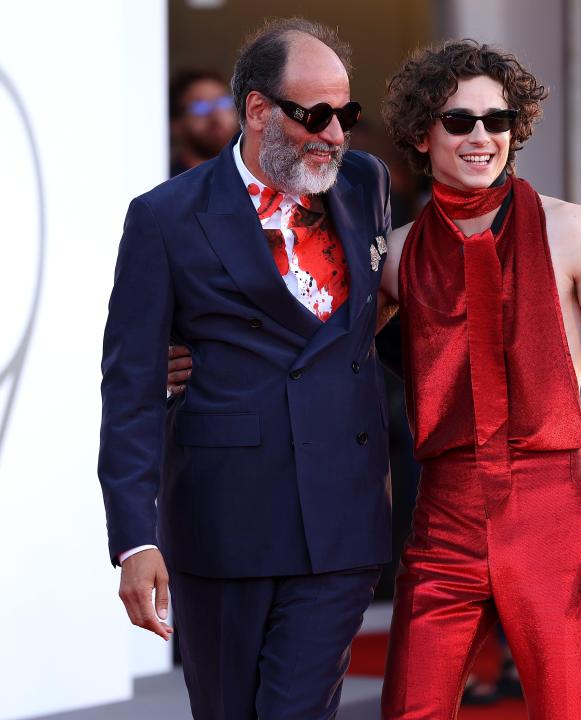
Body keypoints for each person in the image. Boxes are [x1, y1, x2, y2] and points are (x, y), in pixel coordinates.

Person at [97, 18, 394, 719]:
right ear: (258, 111)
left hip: (341, 515)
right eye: (313, 114)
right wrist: (135, 537)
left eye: (344, 114)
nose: (334, 133)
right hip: (225, 519)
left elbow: (368, 322)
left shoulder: (365, 183)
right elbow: (131, 386)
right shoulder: (166, 217)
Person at [376, 40, 581, 719]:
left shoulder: (572, 230)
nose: (482, 137)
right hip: (442, 514)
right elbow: (319, 359)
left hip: (552, 510)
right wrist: (186, 357)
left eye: (497, 121)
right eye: (460, 122)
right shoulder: (394, 255)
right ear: (424, 134)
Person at [169, 68, 240, 176]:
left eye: (223, 102)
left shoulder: (256, 177)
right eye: (200, 107)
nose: (216, 115)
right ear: (176, 125)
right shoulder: (165, 183)